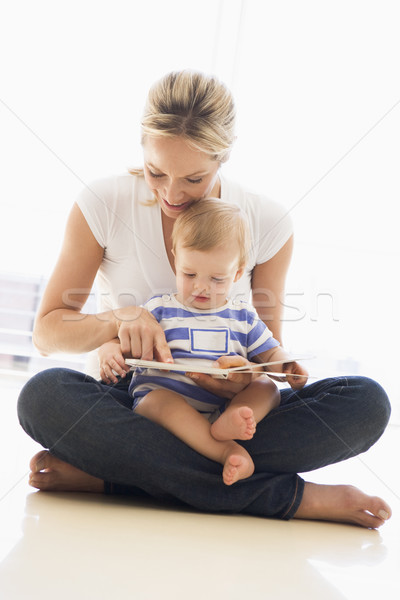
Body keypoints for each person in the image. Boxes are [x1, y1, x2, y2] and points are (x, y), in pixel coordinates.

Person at [18, 69, 392, 528]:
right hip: (139, 404)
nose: (171, 195)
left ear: (223, 159)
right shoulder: (103, 201)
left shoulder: (266, 221)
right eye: (156, 172)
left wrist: (245, 381)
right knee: (43, 396)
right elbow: (46, 334)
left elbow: (266, 355)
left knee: (366, 402)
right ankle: (291, 498)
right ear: (142, 146)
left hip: (226, 415)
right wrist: (119, 320)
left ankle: (116, 479)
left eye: (193, 179)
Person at [99, 198, 306, 486]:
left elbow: (270, 353)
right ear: (176, 260)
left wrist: (288, 366)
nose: (201, 287)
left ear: (237, 272)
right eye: (190, 274)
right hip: (164, 405)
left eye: (217, 279)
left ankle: (233, 420)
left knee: (266, 387)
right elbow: (120, 340)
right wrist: (109, 351)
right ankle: (225, 450)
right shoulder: (157, 309)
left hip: (222, 406)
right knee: (157, 401)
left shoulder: (242, 316)